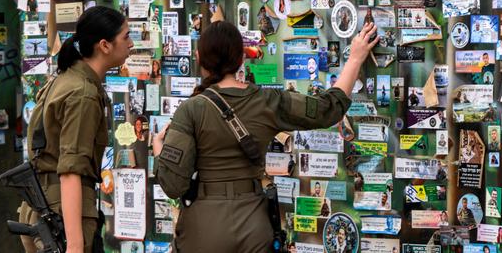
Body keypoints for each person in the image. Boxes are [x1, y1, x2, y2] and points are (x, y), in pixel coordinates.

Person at [153, 22, 379, 251]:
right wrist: (355, 58)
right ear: (241, 57)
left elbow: (173, 185)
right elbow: (327, 109)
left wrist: (158, 149)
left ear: (199, 57)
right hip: (253, 224)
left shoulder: (190, 110)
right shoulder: (266, 101)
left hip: (204, 230)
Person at [19, 7, 133, 253]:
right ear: (105, 45)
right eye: (126, 37)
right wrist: (75, 245)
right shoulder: (82, 93)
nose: (131, 44)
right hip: (62, 214)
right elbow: (70, 170)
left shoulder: (64, 80)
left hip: (41, 207)